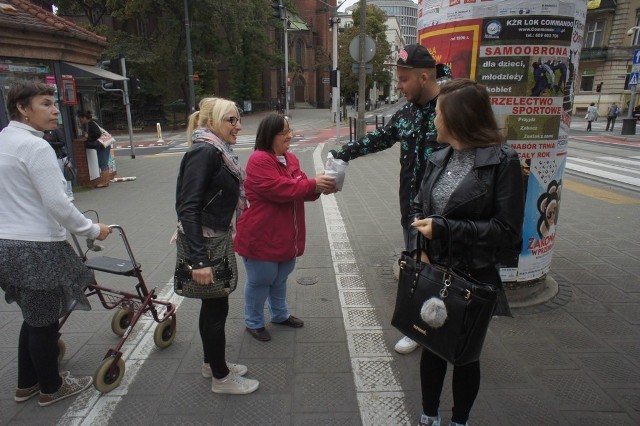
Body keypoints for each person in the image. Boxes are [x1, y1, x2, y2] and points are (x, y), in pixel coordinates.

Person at [408, 79, 525, 426]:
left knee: (464, 355)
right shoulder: (437, 156)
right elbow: (419, 203)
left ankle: (460, 420)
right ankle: (430, 415)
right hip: (434, 269)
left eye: (440, 113)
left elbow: (507, 231)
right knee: (431, 347)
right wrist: (422, 248)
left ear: (458, 119)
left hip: (474, 275)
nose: (435, 120)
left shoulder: (503, 161)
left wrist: (445, 228)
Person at [328, 43, 452, 355]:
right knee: (416, 268)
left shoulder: (450, 108)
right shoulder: (407, 112)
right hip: (411, 209)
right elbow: (380, 138)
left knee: (445, 270)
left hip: (445, 211)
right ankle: (419, 327)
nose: (398, 85)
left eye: (403, 79)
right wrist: (343, 154)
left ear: (424, 77)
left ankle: (448, 326)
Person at [0, 79, 112, 406]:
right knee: (45, 324)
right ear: (22, 108)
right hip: (36, 247)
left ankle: (27, 383)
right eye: (45, 104)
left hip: (6, 245)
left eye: (53, 103)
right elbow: (58, 203)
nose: (54, 111)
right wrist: (92, 229)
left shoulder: (4, 141)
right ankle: (51, 387)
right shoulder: (36, 147)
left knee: (34, 318)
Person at [174, 97, 259, 395]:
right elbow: (188, 207)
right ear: (212, 124)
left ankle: (212, 364)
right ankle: (221, 379)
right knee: (216, 309)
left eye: (238, 119)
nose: (238, 125)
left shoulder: (218, 151)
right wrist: (199, 261)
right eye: (231, 120)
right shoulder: (206, 152)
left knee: (212, 305)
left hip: (213, 236)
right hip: (205, 243)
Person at [234, 113, 337, 342]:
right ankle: (254, 322)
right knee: (261, 280)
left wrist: (321, 187)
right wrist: (313, 183)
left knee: (280, 278)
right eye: (284, 132)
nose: (290, 135)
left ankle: (280, 315)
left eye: (289, 131)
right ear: (270, 136)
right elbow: (280, 189)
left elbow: (299, 189)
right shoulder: (259, 159)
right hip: (261, 234)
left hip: (285, 234)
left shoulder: (290, 159)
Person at [78, 111, 110, 188]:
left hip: (101, 145)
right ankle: (106, 181)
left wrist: (88, 137)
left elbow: (97, 133)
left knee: (102, 164)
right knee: (105, 163)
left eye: (81, 119)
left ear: (85, 118)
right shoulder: (95, 121)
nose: (80, 121)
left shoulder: (91, 124)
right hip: (106, 143)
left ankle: (104, 182)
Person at [43, 127, 74, 201]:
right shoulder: (42, 132)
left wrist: (50, 144)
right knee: (56, 176)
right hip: (50, 156)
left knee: (64, 175)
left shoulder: (55, 130)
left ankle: (69, 193)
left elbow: (62, 142)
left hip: (60, 156)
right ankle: (62, 194)